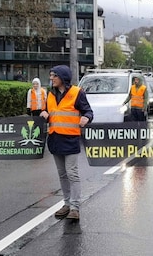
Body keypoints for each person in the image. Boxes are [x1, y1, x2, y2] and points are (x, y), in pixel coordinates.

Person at [39, 65, 93, 221]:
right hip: (55, 139)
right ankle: (67, 203)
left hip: (70, 139)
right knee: (62, 175)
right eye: (51, 75)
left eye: (54, 75)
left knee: (72, 173)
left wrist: (87, 118)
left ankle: (75, 207)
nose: (51, 78)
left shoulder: (77, 93)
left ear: (62, 77)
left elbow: (88, 111)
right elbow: (51, 113)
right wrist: (44, 114)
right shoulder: (50, 94)